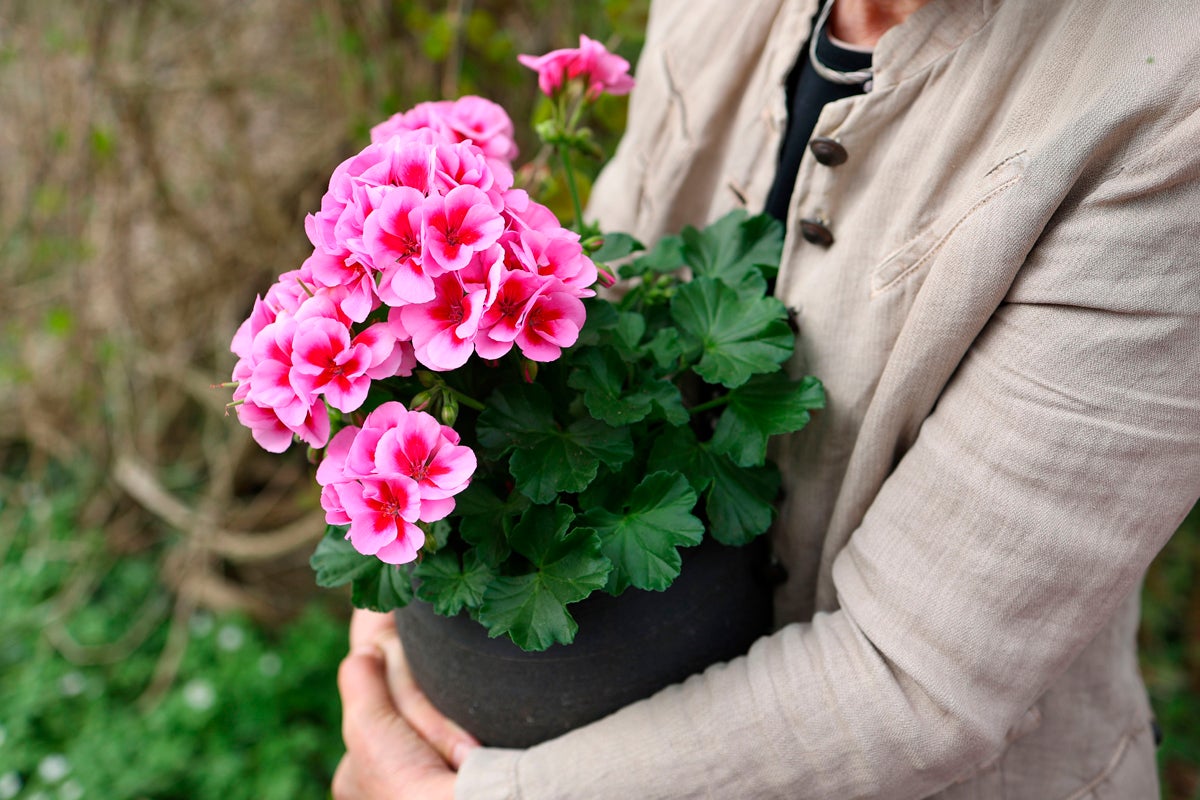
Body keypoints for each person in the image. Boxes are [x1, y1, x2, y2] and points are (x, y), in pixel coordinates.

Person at [332, 0, 1200, 797]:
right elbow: (593, 302)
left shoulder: (1172, 96)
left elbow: (914, 683)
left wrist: (472, 795)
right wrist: (404, 609)